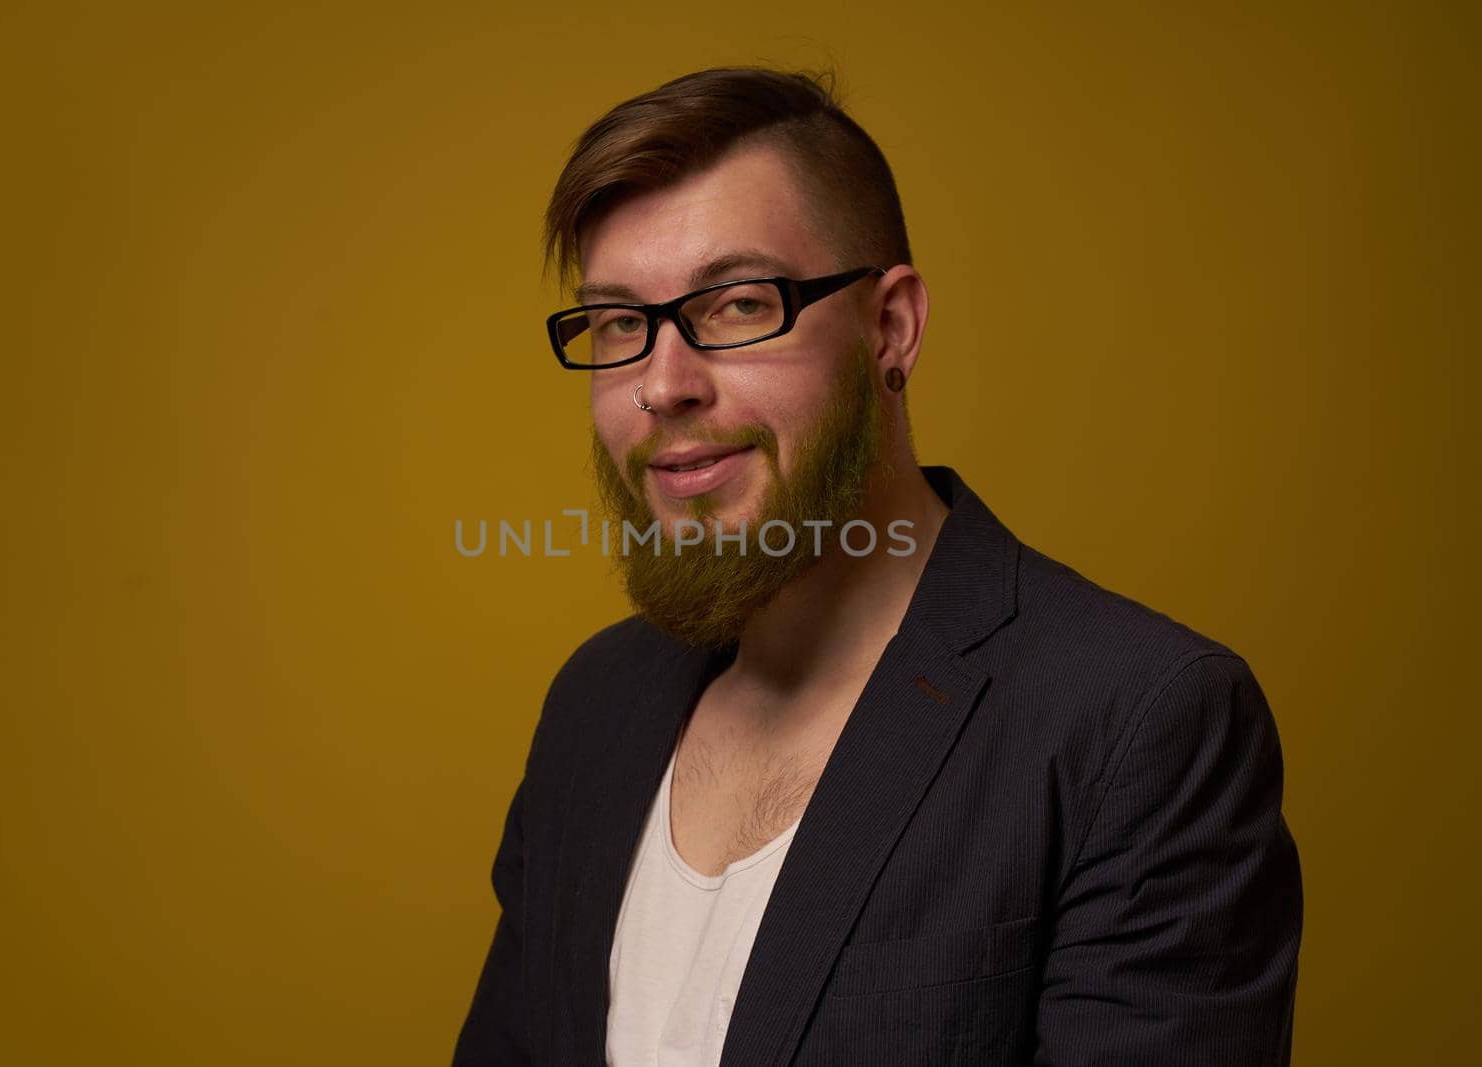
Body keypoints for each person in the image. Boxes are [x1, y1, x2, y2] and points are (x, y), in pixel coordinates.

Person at [454, 66, 1302, 1066]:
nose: (661, 384)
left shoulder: (1135, 720)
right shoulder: (596, 701)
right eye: (618, 323)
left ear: (889, 326)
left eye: (735, 305)